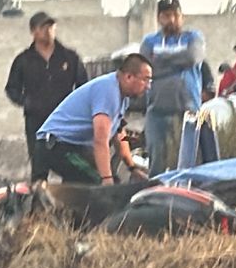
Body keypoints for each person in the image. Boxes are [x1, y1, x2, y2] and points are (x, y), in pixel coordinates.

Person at [35, 54, 153, 185]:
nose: (148, 86)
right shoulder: (108, 91)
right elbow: (100, 140)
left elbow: (119, 134)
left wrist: (133, 168)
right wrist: (106, 180)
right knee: (98, 182)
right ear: (129, 77)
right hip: (56, 145)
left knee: (111, 182)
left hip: (75, 146)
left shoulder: (123, 97)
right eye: (145, 80)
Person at [5, 10, 88, 182]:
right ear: (33, 31)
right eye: (44, 27)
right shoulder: (24, 60)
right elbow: (11, 88)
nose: (49, 30)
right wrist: (26, 102)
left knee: (71, 167)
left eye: (51, 26)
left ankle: (71, 205)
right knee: (39, 168)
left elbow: (84, 86)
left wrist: (75, 108)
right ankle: (39, 207)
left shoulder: (69, 57)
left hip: (65, 122)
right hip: (36, 121)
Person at [139, 0, 206, 175]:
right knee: (156, 161)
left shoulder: (193, 37)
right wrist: (178, 64)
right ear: (159, 18)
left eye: (176, 15)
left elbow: (191, 58)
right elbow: (145, 66)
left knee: (190, 160)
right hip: (157, 110)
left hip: (188, 109)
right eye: (167, 16)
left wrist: (160, 61)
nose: (173, 20)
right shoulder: (149, 41)